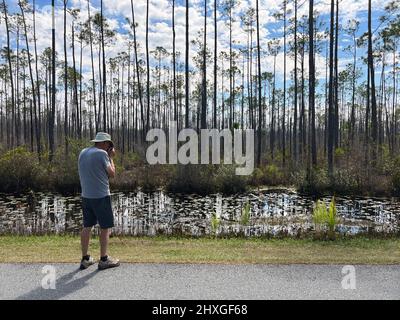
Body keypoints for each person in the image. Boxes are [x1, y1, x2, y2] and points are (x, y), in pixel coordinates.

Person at [78, 132, 120, 270]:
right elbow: (112, 174)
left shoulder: (83, 152)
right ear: (103, 143)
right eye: (109, 144)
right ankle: (104, 259)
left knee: (87, 226)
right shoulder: (102, 154)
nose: (109, 146)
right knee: (105, 227)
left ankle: (85, 259)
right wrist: (111, 157)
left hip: (86, 196)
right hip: (101, 196)